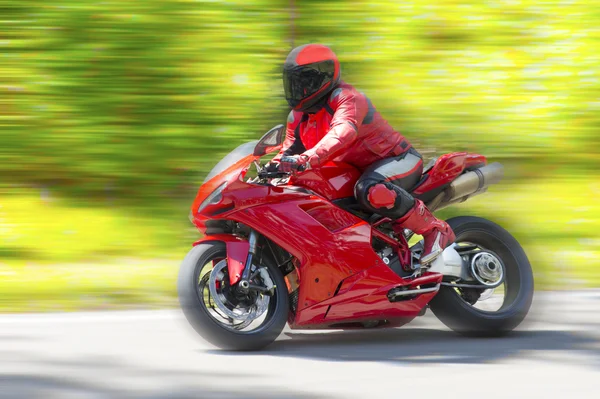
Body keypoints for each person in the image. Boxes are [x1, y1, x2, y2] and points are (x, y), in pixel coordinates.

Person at [270, 43, 455, 265]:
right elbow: (287, 151)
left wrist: (306, 159)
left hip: (396, 159)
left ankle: (434, 229)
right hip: (354, 171)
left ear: (325, 76)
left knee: (370, 190)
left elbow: (342, 132)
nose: (300, 88)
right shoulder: (297, 117)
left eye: (305, 81)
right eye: (294, 82)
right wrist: (270, 171)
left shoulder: (347, 97)